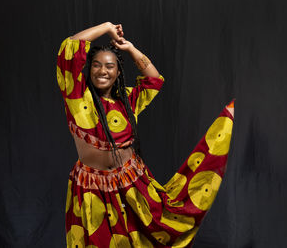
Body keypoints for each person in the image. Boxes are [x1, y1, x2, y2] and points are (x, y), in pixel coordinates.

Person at [57, 21, 235, 248]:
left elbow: (154, 79)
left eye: (110, 66)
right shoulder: (77, 96)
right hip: (92, 190)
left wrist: (129, 48)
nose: (103, 71)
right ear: (89, 69)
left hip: (132, 184)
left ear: (118, 71)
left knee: (150, 235)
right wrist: (107, 27)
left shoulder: (128, 100)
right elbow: (70, 48)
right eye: (97, 65)